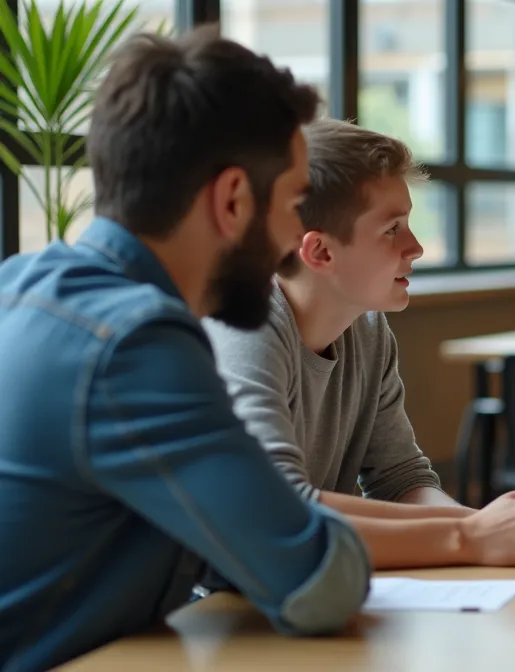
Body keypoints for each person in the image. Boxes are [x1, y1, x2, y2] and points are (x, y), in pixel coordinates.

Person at [0, 28, 373, 671]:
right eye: (291, 205)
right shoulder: (138, 344)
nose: (293, 240)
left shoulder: (21, 288)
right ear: (232, 200)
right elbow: (318, 584)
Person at [202, 118, 515, 569]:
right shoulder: (245, 327)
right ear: (320, 252)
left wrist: (493, 528)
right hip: (212, 613)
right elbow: (279, 509)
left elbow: (400, 480)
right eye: (392, 228)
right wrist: (470, 536)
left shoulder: (368, 329)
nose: (415, 247)